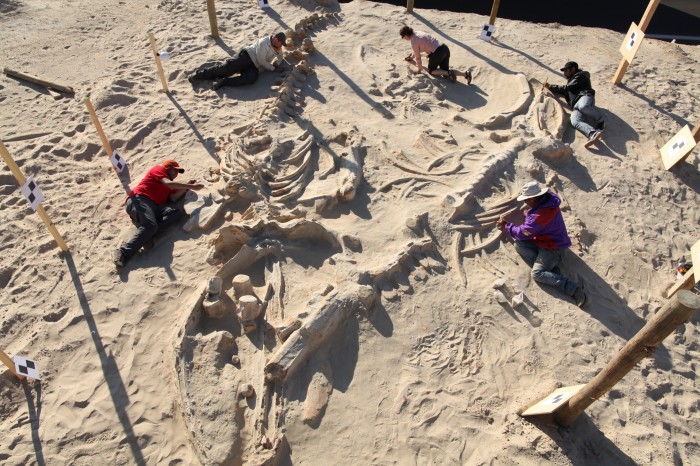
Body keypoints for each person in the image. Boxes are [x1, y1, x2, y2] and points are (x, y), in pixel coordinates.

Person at [497, 181, 586, 307]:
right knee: (519, 245)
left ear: (533, 199)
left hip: (553, 248)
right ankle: (550, 269)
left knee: (537, 274)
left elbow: (523, 232)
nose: (525, 203)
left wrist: (506, 226)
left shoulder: (539, 216)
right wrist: (529, 215)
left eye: (526, 200)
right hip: (544, 239)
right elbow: (532, 224)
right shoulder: (549, 200)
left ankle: (574, 289)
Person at [114, 160, 204, 268]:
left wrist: (187, 187)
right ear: (167, 168)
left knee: (176, 213)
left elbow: (173, 198)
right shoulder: (158, 169)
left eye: (178, 172)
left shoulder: (169, 188)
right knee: (150, 226)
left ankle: (147, 236)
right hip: (140, 200)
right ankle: (123, 252)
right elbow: (168, 183)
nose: (176, 173)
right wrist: (192, 186)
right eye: (175, 170)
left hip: (155, 208)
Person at [187, 32, 287, 90]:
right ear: (276, 40)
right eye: (281, 43)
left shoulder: (277, 48)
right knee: (226, 69)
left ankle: (223, 81)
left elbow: (280, 57)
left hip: (254, 66)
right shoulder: (264, 43)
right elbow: (261, 60)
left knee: (251, 78)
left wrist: (277, 63)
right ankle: (198, 75)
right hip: (247, 56)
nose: (281, 46)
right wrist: (273, 68)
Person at [544, 61, 605, 148]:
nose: (564, 73)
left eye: (566, 70)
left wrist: (551, 86)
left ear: (573, 69)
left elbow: (567, 88)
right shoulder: (571, 81)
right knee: (575, 121)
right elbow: (564, 90)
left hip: (584, 96)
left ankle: (600, 120)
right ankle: (592, 133)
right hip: (575, 105)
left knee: (583, 106)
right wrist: (550, 88)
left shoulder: (581, 75)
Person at [399, 26, 472, 84]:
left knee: (432, 71)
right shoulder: (418, 32)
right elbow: (417, 49)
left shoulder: (413, 41)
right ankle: (465, 74)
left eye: (402, 37)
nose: (403, 38)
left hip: (437, 53)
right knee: (444, 72)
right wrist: (412, 57)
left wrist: (419, 69)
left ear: (405, 35)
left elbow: (418, 57)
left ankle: (449, 73)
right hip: (444, 48)